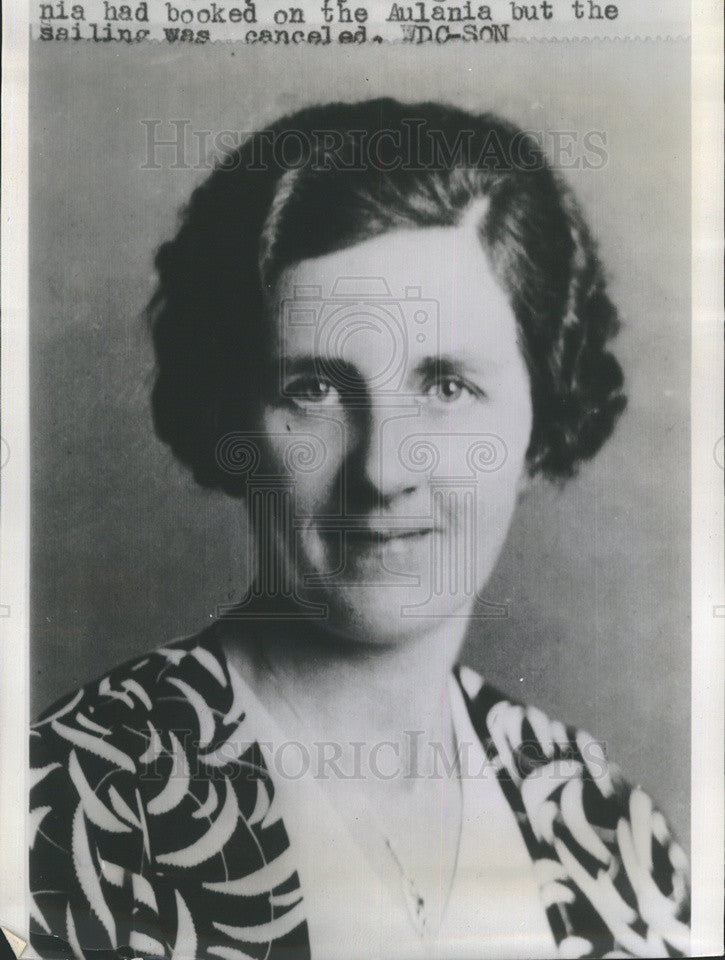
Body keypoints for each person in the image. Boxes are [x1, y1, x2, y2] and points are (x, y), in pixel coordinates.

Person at [29, 99, 690, 960]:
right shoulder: (74, 806)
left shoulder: (603, 825)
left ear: (541, 419)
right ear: (231, 419)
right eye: (314, 389)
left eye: (447, 386)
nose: (382, 470)